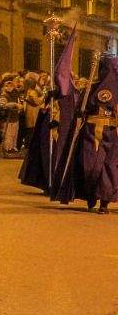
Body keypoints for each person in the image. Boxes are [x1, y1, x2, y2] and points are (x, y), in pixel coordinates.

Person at [52, 54, 118, 212]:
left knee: (108, 167)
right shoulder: (92, 87)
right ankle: (91, 196)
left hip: (112, 133)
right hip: (90, 132)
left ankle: (104, 201)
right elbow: (81, 109)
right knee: (89, 165)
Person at [21, 42, 74, 193]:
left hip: (59, 128)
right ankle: (46, 181)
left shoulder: (70, 94)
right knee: (45, 154)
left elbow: (68, 111)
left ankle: (57, 183)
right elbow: (43, 107)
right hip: (47, 125)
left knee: (57, 154)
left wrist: (57, 119)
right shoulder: (51, 92)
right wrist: (48, 103)